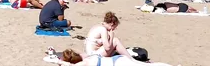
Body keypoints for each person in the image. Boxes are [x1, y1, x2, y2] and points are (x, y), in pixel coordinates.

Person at [44, 48, 177, 66]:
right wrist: (54, 53)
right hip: (118, 60)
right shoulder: (84, 57)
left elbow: (67, 65)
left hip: (119, 64)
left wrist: (56, 60)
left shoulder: (83, 64)